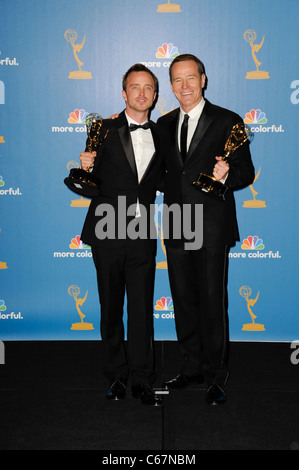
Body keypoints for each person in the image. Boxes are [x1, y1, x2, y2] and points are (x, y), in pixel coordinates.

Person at [157, 54, 255, 405]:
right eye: (177, 80)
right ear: (170, 85)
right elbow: (154, 171)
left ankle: (216, 374)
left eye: (190, 78)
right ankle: (192, 367)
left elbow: (246, 172)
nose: (184, 86)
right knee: (183, 300)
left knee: (213, 301)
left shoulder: (228, 121)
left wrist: (228, 174)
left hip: (212, 225)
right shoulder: (163, 124)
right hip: (177, 223)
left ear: (203, 79)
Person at [79, 64, 164, 406]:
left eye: (148, 88)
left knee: (142, 308)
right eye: (134, 87)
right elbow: (89, 185)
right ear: (123, 92)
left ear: (155, 96)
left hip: (143, 231)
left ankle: (143, 378)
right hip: (106, 228)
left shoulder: (164, 134)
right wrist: (86, 168)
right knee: (111, 306)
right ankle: (116, 375)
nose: (141, 93)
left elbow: (171, 179)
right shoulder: (102, 128)